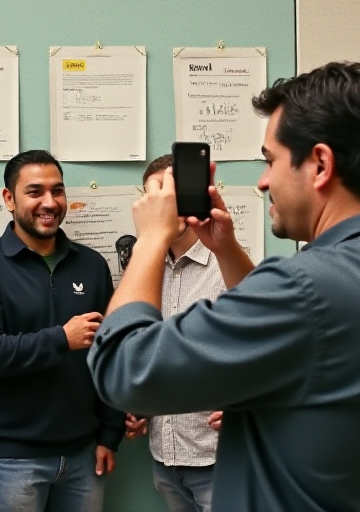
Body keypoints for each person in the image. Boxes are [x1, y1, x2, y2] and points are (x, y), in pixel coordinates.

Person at [87, 61, 360, 511]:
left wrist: (151, 239)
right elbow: (304, 343)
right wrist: (228, 250)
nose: (262, 181)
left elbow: (122, 368)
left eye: (270, 160)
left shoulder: (306, 288)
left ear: (320, 165)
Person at [0, 149, 126, 512]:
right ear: (9, 198)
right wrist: (61, 338)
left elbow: (109, 355)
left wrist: (110, 435)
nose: (49, 202)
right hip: (13, 458)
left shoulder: (92, 265)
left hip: (85, 454)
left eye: (58, 191)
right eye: (35, 192)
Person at [123, 154, 225, 512]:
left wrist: (249, 405)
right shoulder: (143, 270)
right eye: (159, 196)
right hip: (164, 458)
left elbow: (267, 353)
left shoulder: (229, 266)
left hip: (218, 458)